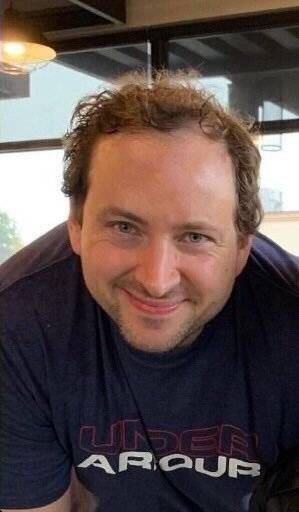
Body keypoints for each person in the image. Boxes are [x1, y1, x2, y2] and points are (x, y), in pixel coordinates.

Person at [0, 70, 298, 512]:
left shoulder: (290, 322)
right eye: (124, 227)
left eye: (195, 236)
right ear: (77, 227)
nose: (156, 281)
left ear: (240, 249)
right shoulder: (19, 322)